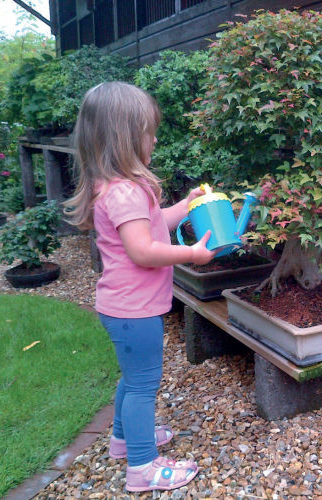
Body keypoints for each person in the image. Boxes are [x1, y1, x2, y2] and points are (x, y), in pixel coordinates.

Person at [64, 81, 215, 492]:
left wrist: (186, 206)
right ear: (126, 137)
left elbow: (154, 225)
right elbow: (144, 251)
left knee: (132, 380)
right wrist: (193, 256)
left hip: (124, 308)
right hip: (135, 311)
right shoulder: (127, 192)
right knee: (144, 385)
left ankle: (123, 440)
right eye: (149, 131)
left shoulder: (115, 189)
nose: (155, 138)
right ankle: (143, 468)